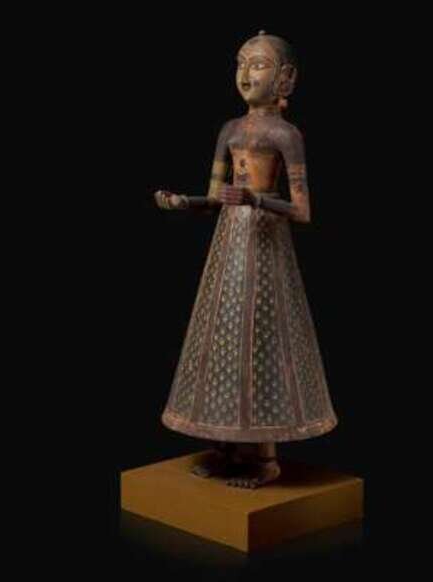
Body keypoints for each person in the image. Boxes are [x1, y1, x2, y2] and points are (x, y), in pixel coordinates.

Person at [153, 31, 336, 488]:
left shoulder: (286, 135)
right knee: (224, 339)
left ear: (286, 78)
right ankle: (226, 451)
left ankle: (265, 460)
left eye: (258, 64)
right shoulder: (229, 130)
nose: (245, 73)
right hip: (229, 246)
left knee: (266, 341)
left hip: (267, 247)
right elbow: (218, 197)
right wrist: (184, 202)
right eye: (240, 63)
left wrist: (257, 200)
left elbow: (302, 210)